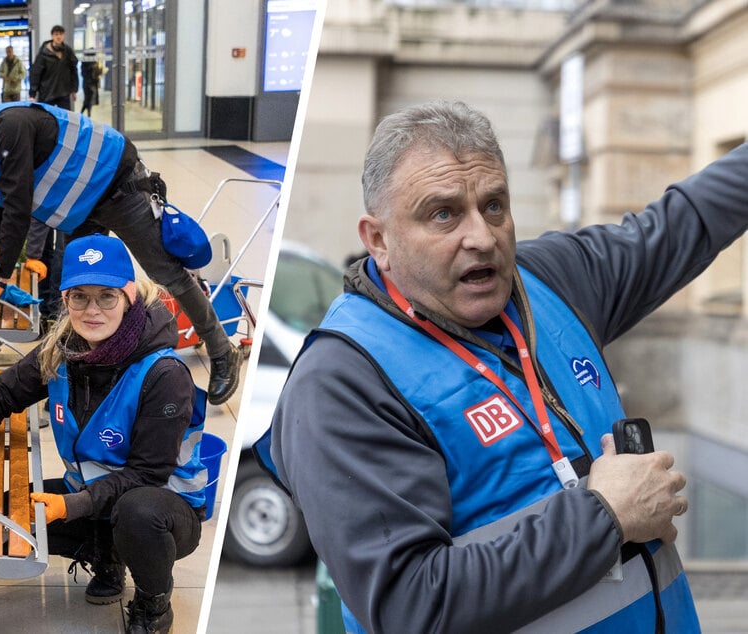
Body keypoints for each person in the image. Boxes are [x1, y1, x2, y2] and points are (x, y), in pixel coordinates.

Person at [267, 100, 721, 632]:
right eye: (443, 213)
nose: (483, 237)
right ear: (379, 241)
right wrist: (606, 516)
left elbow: (682, 222)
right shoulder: (339, 383)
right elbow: (410, 606)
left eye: (494, 206)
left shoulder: (546, 280)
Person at [0, 234, 205, 633]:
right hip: (93, 493)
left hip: (164, 510)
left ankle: (153, 604)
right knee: (2, 517)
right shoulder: (63, 348)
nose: (92, 310)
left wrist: (72, 506)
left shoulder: (164, 374)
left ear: (129, 297)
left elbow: (147, 474)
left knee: (137, 514)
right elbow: (3, 392)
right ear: (65, 299)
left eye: (107, 296)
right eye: (79, 297)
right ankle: (107, 556)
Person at [0, 101, 243, 405]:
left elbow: (18, 210)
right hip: (80, 209)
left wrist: (0, 279)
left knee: (165, 273)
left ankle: (221, 350)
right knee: (75, 287)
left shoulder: (7, 128)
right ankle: (87, 371)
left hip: (116, 183)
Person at [29, 25, 78, 110]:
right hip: (47, 92)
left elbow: (73, 70)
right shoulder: (43, 53)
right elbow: (36, 73)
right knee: (46, 116)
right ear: (52, 36)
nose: (58, 37)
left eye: (61, 34)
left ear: (64, 36)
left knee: (65, 116)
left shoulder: (68, 51)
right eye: (56, 34)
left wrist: (74, 90)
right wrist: (32, 94)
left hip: (63, 92)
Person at [80, 52, 102, 117]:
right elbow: (85, 74)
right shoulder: (88, 64)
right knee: (88, 101)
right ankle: (86, 115)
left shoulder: (91, 63)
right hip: (89, 84)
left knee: (88, 100)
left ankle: (84, 115)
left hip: (90, 84)